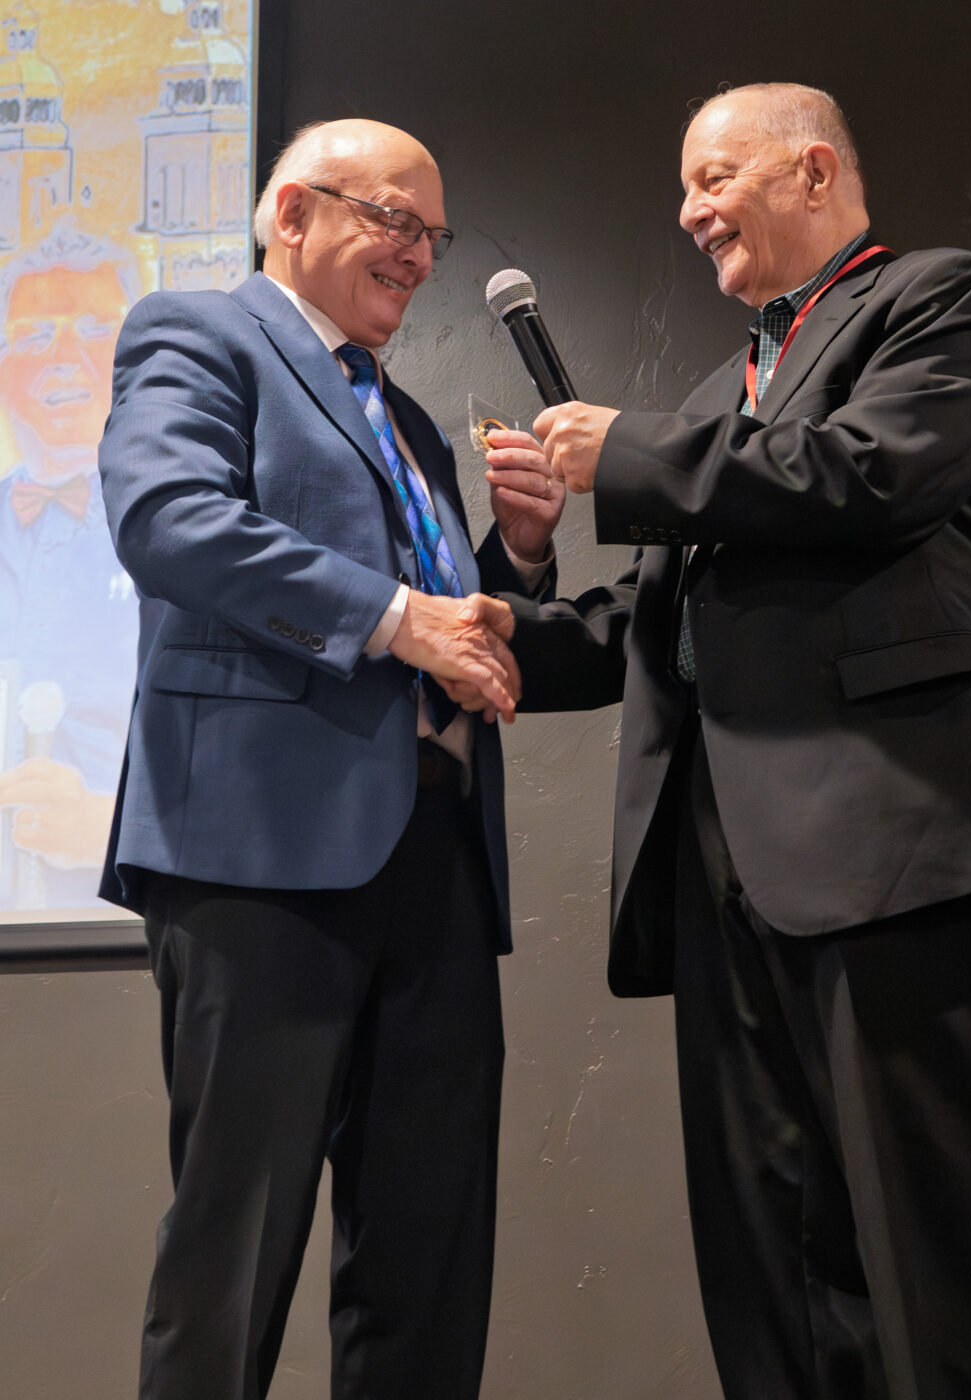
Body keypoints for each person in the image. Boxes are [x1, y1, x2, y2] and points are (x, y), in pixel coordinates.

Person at [488, 83, 971, 1400]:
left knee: (939, 1267)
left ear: (811, 172)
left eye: (714, 177)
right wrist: (504, 597)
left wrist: (635, 454)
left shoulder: (936, 301)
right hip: (725, 880)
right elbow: (640, 626)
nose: (689, 210)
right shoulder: (726, 386)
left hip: (903, 848)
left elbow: (868, 476)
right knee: (769, 1273)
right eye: (687, 187)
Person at [97, 118, 561, 1400]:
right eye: (392, 220)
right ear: (291, 212)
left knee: (427, 1256)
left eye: (434, 235)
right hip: (259, 854)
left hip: (438, 858)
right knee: (232, 1254)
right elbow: (169, 520)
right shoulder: (197, 334)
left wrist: (512, 560)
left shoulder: (401, 411)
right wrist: (406, 617)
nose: (419, 256)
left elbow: (439, 607)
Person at [0, 226, 139, 908]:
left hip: (125, 914)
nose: (61, 359)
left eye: (91, 330)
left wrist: (116, 826)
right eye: (31, 337)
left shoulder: (187, 539)